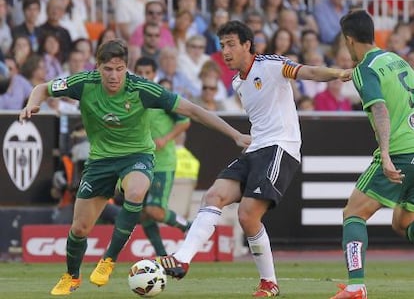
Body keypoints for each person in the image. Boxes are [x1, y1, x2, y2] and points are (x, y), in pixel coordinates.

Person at [18, 38, 250, 296]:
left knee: (137, 192)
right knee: (79, 228)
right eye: (108, 69)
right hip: (100, 161)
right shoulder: (83, 83)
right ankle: (71, 276)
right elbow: (42, 87)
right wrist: (31, 104)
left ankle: (108, 259)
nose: (114, 75)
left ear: (126, 67)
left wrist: (235, 135)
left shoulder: (142, 88)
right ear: (98, 67)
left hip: (137, 156)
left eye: (119, 68)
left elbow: (193, 110)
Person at [152, 20, 352, 297]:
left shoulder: (270, 64)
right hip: (256, 147)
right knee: (213, 196)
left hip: (281, 148)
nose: (225, 51)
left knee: (248, 215)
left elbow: (307, 71)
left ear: (247, 44)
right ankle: (182, 258)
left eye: (231, 44)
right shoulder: (237, 82)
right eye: (222, 46)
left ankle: (269, 283)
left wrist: (339, 72)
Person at [329, 9, 414, 299]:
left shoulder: (364, 69)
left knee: (354, 213)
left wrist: (387, 156)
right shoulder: (396, 59)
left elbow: (379, 109)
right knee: (402, 223)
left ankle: (355, 287)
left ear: (350, 40)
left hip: (401, 152)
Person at [133, 56, 192, 256]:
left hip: (162, 163)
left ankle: (189, 227)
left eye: (147, 72)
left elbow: (184, 121)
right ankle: (162, 256)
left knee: (155, 210)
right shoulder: (131, 98)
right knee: (143, 213)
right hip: (139, 164)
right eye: (140, 72)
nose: (143, 76)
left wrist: (166, 139)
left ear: (154, 74)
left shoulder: (162, 96)